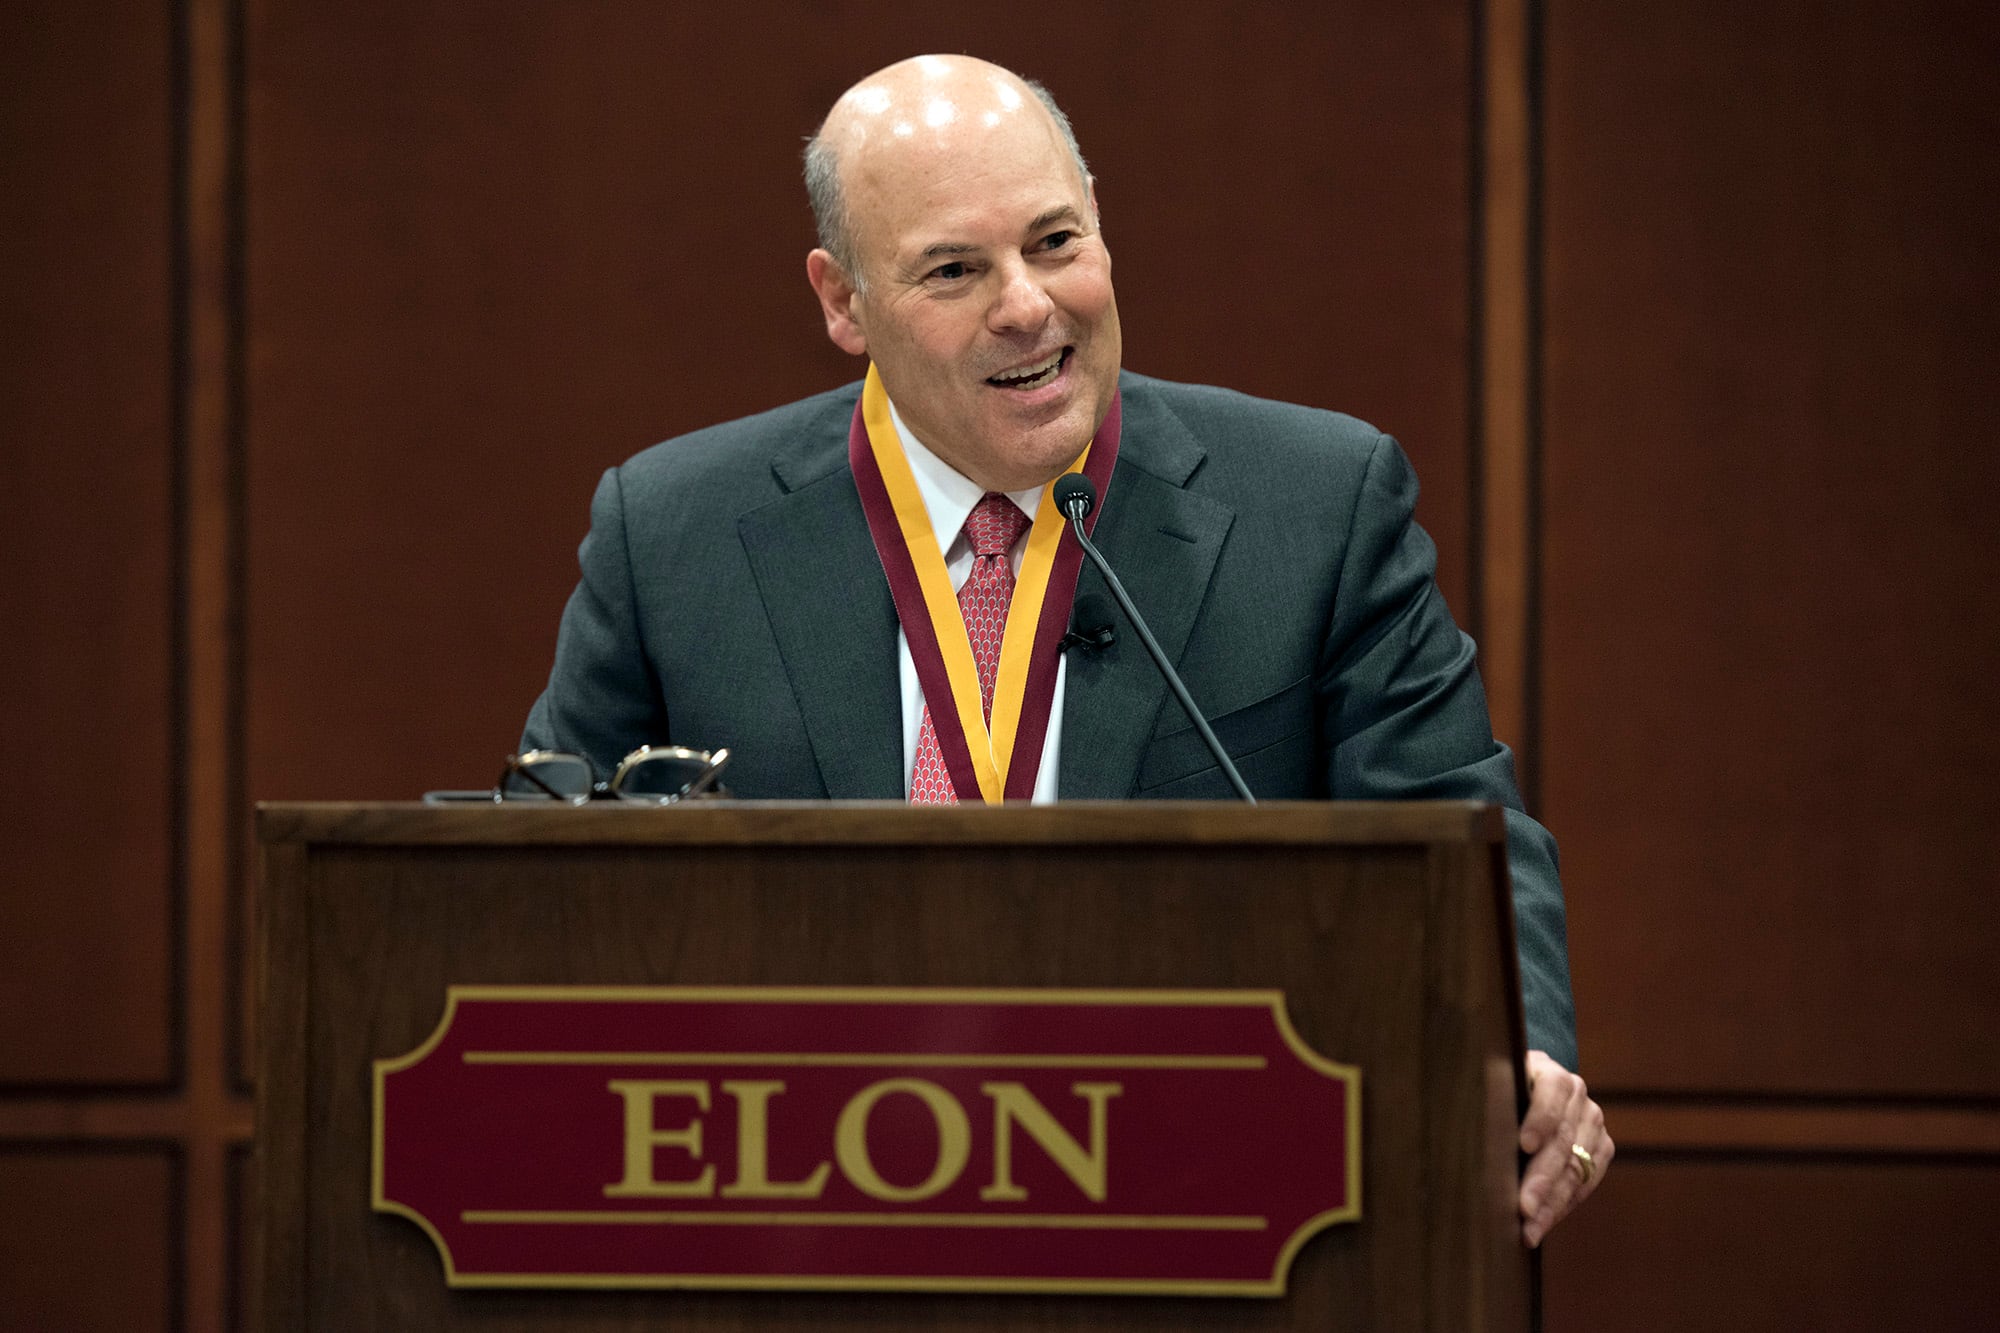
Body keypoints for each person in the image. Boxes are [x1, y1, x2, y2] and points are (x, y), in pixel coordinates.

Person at [520, 53, 1610, 1244]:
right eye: (953, 268)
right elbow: (532, 892)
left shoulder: (1319, 506)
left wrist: (1525, 1051)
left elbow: (1463, 836)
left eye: (1053, 242)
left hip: (1207, 1215)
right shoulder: (674, 536)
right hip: (800, 1224)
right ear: (843, 302)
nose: (1028, 306)